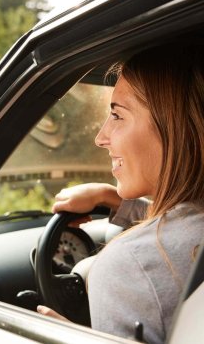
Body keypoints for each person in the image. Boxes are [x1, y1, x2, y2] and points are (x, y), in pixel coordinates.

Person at [37, 42, 204, 344]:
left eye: (117, 116)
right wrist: (113, 199)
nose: (101, 138)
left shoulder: (130, 265)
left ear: (174, 127)